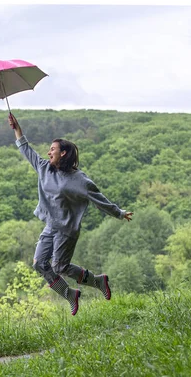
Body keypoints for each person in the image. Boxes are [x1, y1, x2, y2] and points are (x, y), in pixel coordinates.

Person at [8, 113, 133, 316]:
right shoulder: (44, 169)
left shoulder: (79, 179)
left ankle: (98, 281)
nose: (48, 152)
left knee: (60, 266)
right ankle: (69, 295)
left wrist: (119, 213)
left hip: (67, 230)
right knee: (39, 264)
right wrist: (16, 128)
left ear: (64, 153)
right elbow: (25, 148)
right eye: (49, 149)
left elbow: (98, 199)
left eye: (53, 149)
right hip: (50, 226)